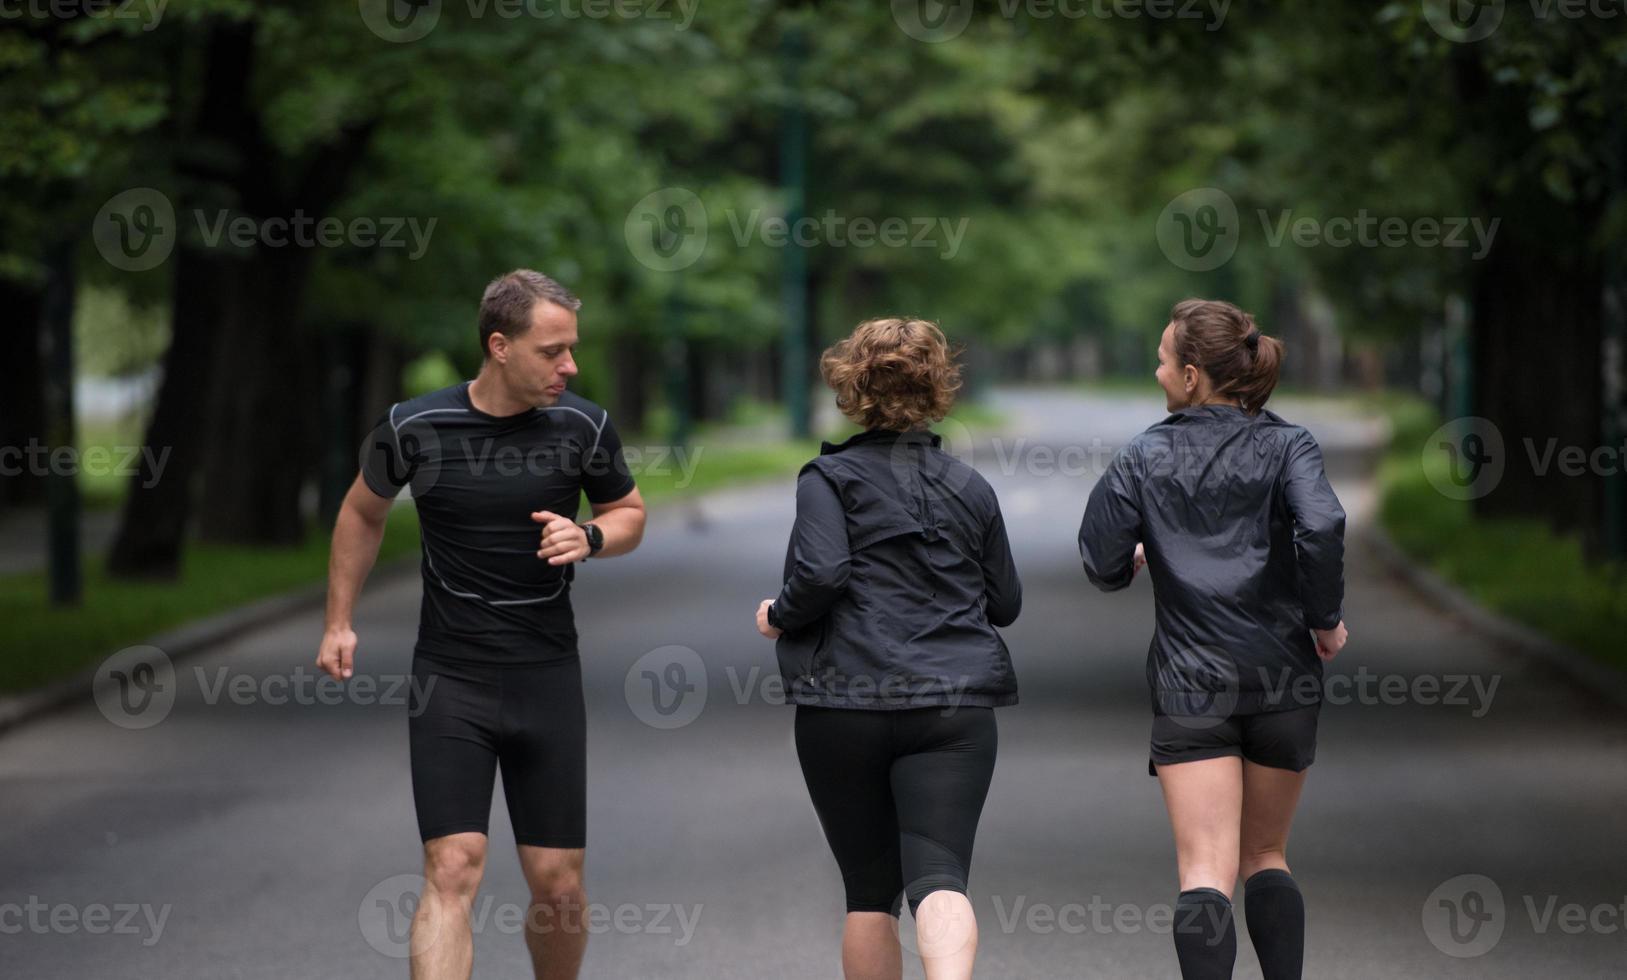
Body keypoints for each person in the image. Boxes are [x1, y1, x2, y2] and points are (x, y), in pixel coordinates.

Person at [316, 269, 646, 980]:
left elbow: (630, 515)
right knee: (452, 865)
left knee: (556, 882)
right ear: (499, 345)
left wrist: (589, 538)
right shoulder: (412, 425)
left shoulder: (581, 424)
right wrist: (338, 621)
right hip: (451, 677)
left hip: (546, 675)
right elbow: (361, 513)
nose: (570, 366)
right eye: (552, 351)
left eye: (572, 350)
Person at [1077, 299, 1348, 980]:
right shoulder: (1290, 446)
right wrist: (1323, 619)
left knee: (1203, 868)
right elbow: (1319, 528)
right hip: (1282, 676)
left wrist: (1134, 557)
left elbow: (1100, 562)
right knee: (1266, 855)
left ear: (1193, 376)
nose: (1157, 369)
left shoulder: (1143, 454)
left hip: (1189, 683)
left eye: (1165, 358)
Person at [754, 317, 1021, 980]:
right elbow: (1005, 605)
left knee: (869, 898)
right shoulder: (971, 487)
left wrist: (776, 617)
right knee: (939, 877)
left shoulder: (827, 478)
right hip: (952, 707)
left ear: (851, 387)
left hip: (844, 703)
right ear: (937, 388)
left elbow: (819, 574)